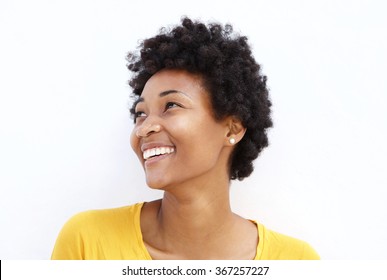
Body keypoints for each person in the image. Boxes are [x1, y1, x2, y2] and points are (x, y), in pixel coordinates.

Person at [51, 17, 319, 260]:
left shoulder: (296, 261)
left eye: (171, 106)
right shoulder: (87, 241)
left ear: (232, 129)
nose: (144, 129)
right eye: (140, 114)